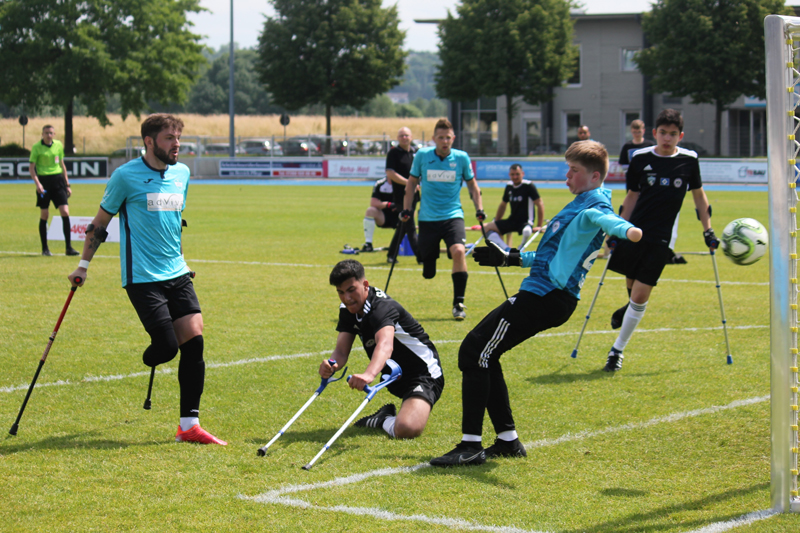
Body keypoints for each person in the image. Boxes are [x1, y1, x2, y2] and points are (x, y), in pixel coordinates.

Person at [429, 140, 642, 466]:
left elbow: (611, 222)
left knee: (474, 350)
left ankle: (470, 445)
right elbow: (546, 255)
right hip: (542, 293)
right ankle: (507, 440)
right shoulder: (577, 204)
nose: (567, 176)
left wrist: (628, 231)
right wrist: (509, 257)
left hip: (547, 297)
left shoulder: (594, 207)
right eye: (568, 168)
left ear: (596, 176)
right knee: (485, 353)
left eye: (574, 170)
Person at [67, 114, 226, 445]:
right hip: (142, 277)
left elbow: (174, 220)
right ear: (150, 141)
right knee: (166, 348)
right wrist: (83, 265)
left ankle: (189, 426)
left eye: (179, 136)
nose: (177, 143)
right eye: (169, 137)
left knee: (194, 344)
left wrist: (181, 258)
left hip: (177, 273)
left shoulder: (181, 174)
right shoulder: (125, 177)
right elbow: (99, 224)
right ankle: (154, 354)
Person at [603, 108, 718, 373]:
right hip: (634, 232)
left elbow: (699, 197)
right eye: (663, 133)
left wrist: (707, 230)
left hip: (661, 238)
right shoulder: (641, 158)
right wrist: (617, 229)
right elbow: (631, 196)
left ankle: (617, 350)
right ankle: (627, 307)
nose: (667, 138)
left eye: (673, 134)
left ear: (681, 136)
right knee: (631, 285)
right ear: (654, 133)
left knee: (641, 296)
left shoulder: (689, 161)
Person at [321, 259, 444, 439]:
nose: (346, 298)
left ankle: (383, 419)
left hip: (424, 374)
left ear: (365, 285)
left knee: (406, 429)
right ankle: (389, 415)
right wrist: (331, 365)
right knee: (405, 426)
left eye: (351, 290)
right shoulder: (348, 308)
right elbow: (341, 351)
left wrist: (369, 374)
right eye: (340, 292)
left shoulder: (382, 308)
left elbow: (385, 344)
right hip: (395, 376)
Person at [401, 118, 484, 321]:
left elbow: (473, 186)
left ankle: (458, 303)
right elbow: (411, 183)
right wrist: (406, 209)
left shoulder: (462, 158)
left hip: (453, 216)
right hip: (428, 218)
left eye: (448, 138)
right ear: (433, 139)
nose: (445, 141)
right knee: (428, 270)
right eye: (441, 138)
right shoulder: (422, 156)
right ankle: (429, 262)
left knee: (458, 251)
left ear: (453, 138)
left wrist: (479, 208)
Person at [362, 127, 419, 263]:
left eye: (406, 135)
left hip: (415, 194)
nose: (404, 138)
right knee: (409, 225)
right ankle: (421, 256)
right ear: (397, 138)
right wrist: (409, 183)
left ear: (411, 137)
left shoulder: (415, 153)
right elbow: (390, 173)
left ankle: (391, 255)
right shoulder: (393, 153)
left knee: (403, 226)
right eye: (401, 135)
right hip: (401, 196)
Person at [30, 125, 78, 256]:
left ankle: (68, 247)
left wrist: (67, 184)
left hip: (58, 182)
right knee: (44, 214)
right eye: (46, 133)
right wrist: (38, 184)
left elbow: (62, 165)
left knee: (65, 211)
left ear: (54, 134)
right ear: (42, 134)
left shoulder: (58, 145)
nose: (48, 135)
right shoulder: (36, 147)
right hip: (44, 183)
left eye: (51, 133)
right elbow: (31, 168)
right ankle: (45, 249)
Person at [483, 164, 544, 251]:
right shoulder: (509, 186)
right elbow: (503, 204)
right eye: (512, 174)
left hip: (526, 222)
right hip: (512, 220)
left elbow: (540, 204)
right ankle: (506, 249)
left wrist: (539, 225)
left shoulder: (528, 186)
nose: (515, 177)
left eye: (517, 174)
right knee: (485, 227)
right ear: (509, 175)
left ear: (522, 174)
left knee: (527, 231)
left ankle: (521, 246)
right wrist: (497, 220)